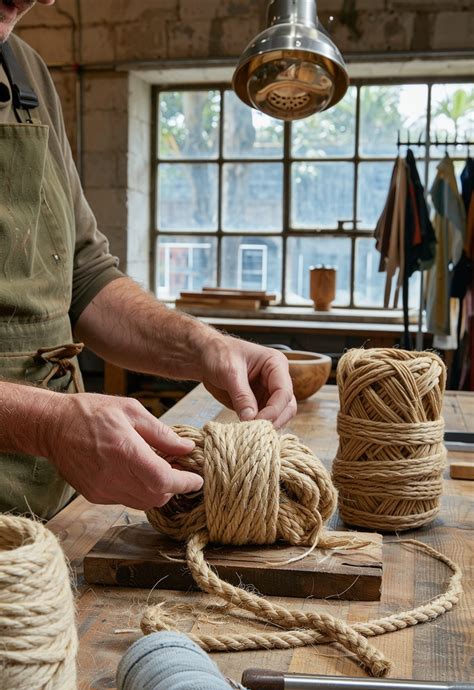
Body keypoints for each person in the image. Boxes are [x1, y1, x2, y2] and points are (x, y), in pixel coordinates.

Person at [0, 0, 296, 519]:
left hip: (50, 512)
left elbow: (83, 276)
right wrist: (48, 422)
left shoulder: (25, 70)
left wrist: (204, 346)